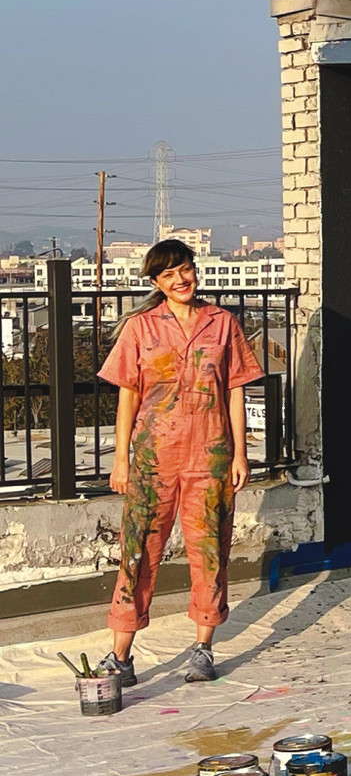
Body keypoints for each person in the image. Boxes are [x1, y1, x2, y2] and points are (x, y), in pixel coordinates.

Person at [94, 239, 264, 686]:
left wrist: (240, 453)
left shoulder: (222, 324)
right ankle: (121, 656)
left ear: (195, 270)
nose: (180, 280)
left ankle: (203, 648)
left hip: (210, 456)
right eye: (168, 274)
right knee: (138, 552)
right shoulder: (141, 328)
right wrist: (121, 460)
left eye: (184, 269)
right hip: (154, 459)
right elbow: (128, 396)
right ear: (156, 282)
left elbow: (235, 390)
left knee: (209, 552)